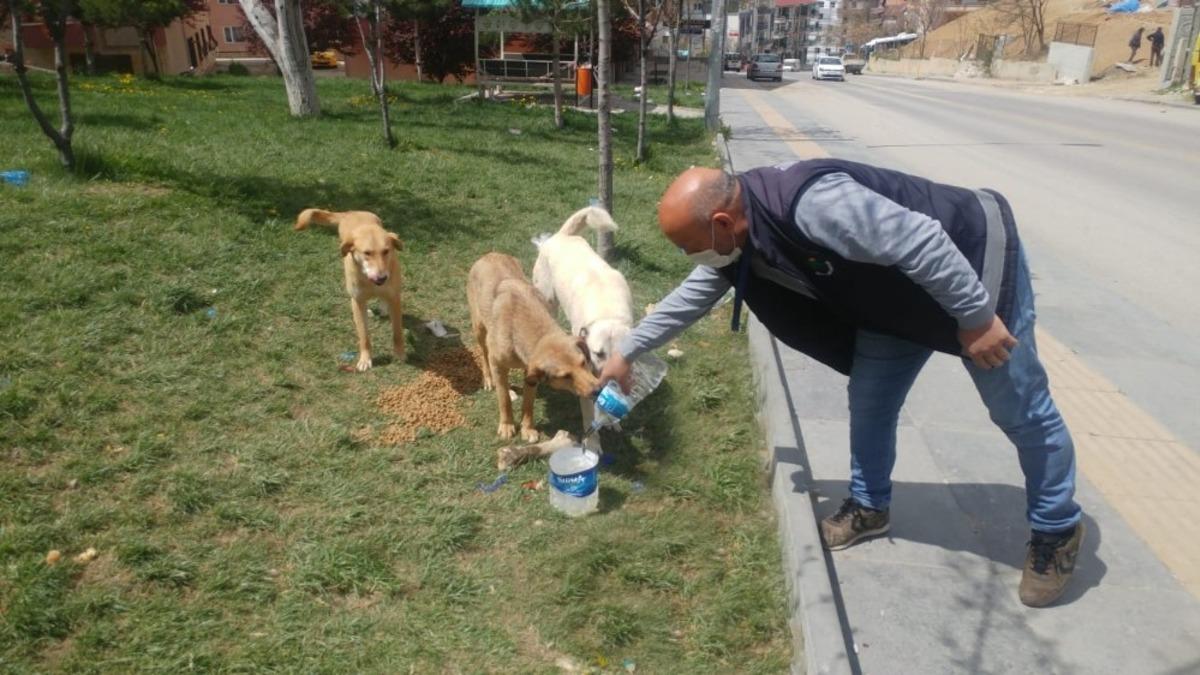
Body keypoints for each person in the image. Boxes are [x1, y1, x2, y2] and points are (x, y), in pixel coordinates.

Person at [598, 161, 1085, 608]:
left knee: (1018, 407)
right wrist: (626, 352)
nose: (693, 258)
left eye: (691, 247)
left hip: (973, 262)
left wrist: (977, 318)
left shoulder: (813, 205)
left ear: (723, 225)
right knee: (871, 403)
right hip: (892, 299)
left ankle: (1056, 528)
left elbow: (923, 241)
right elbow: (695, 294)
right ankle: (870, 506)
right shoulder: (739, 236)